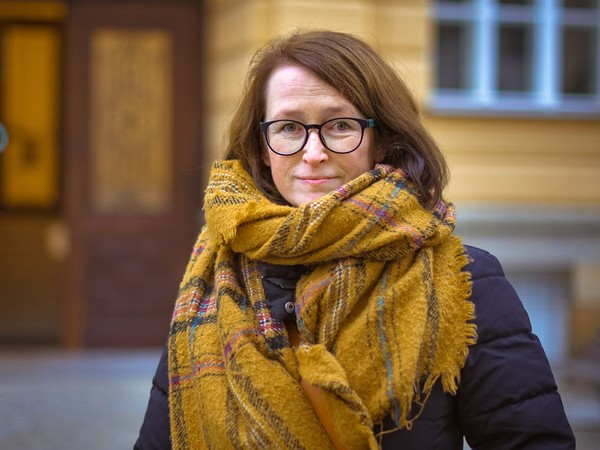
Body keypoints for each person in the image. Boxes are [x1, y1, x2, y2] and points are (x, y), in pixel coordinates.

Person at [135, 30, 575, 449]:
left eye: (341, 125)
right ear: (263, 148)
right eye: (288, 128)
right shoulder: (215, 279)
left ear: (381, 140)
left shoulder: (463, 280)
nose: (313, 153)